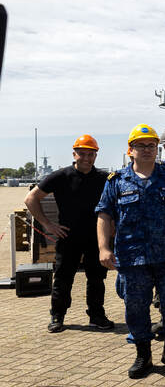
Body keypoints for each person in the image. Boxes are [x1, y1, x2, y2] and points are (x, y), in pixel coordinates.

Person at [95, 124, 165, 379]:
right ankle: (144, 354)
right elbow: (104, 215)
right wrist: (103, 248)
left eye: (151, 145)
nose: (146, 149)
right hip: (133, 257)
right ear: (130, 150)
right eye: (140, 145)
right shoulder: (117, 181)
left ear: (157, 148)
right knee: (136, 306)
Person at [25, 134, 113, 333]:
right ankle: (57, 316)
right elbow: (31, 198)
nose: (87, 158)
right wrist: (48, 224)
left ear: (96, 156)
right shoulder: (61, 176)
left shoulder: (102, 179)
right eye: (82, 154)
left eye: (91, 155)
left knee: (97, 279)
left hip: (95, 237)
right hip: (68, 237)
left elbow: (112, 206)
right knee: (63, 278)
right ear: (74, 154)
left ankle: (97, 315)